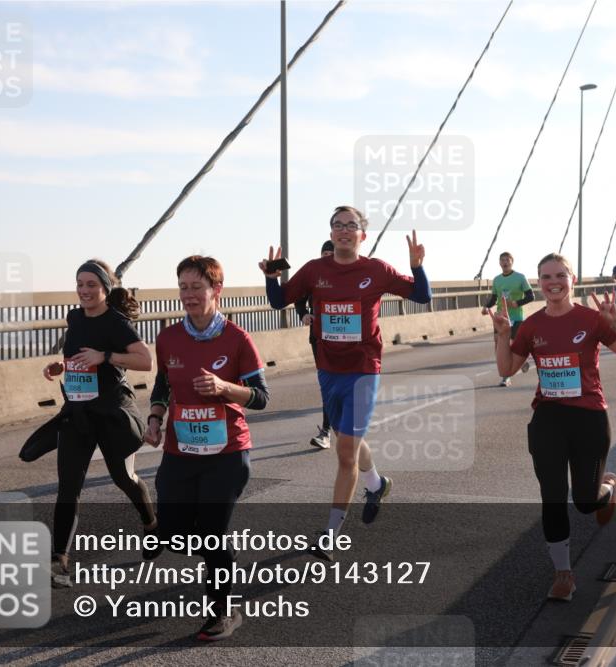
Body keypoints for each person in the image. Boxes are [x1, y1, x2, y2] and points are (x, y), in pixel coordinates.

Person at [262, 206, 431, 557]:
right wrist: (270, 277)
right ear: (331, 232)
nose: (343, 230)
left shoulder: (376, 269)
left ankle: (331, 533)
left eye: (350, 225)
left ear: (362, 235)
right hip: (328, 367)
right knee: (345, 438)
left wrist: (416, 266)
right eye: (337, 225)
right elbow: (280, 300)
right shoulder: (313, 270)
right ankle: (377, 484)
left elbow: (421, 296)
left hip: (363, 368)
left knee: (344, 453)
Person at [492, 252, 616, 602]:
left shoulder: (592, 319)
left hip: (589, 417)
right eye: (546, 277)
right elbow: (507, 369)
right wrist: (503, 334)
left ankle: (606, 486)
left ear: (572, 279)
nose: (553, 282)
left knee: (586, 502)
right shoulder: (531, 325)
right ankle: (563, 573)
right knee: (553, 495)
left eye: (560, 275)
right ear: (539, 283)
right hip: (549, 417)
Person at [143, 255, 269, 641]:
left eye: (197, 287)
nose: (189, 295)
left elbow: (261, 397)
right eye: (183, 287)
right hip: (180, 451)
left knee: (213, 533)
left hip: (228, 453)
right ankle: (216, 559)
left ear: (217, 290)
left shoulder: (237, 339)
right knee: (174, 534)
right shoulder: (168, 338)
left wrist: (224, 388)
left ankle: (222, 610)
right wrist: (154, 418)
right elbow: (163, 383)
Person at [38, 259, 156, 588]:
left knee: (124, 477)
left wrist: (105, 357)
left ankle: (150, 523)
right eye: (80, 284)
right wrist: (61, 367)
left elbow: (145, 360)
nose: (84, 291)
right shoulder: (75, 317)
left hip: (111, 412)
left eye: (91, 284)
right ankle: (59, 560)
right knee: (68, 486)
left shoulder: (116, 322)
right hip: (78, 413)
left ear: (105, 287)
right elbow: (77, 354)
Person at [296, 240, 336, 448]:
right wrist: (303, 314)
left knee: (343, 385)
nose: (327, 257)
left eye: (331, 254)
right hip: (319, 337)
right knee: (327, 385)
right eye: (324, 254)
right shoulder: (314, 275)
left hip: (349, 341)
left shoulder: (347, 275)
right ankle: (326, 432)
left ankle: (344, 423)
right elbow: (298, 297)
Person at [481, 251, 534, 386]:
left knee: (514, 345)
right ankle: (506, 377)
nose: (504, 262)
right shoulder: (497, 279)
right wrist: (486, 307)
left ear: (512, 262)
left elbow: (531, 296)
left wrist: (517, 303)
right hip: (500, 318)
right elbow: (494, 298)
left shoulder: (520, 277)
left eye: (507, 260)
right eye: (502, 260)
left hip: (516, 317)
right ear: (499, 263)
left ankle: (520, 361)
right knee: (499, 345)